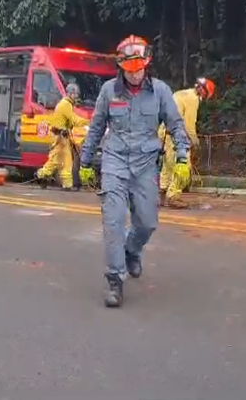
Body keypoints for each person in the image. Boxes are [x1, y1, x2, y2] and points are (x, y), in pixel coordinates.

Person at [79, 35, 191, 308]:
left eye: (140, 69)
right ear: (122, 68)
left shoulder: (161, 91)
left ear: (146, 66)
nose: (136, 75)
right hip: (115, 162)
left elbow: (175, 125)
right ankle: (115, 281)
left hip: (145, 165)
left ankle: (133, 250)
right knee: (114, 222)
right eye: (130, 70)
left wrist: (182, 156)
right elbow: (95, 128)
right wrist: (84, 161)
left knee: (147, 222)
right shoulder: (109, 92)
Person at [158, 77, 215, 208]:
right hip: (175, 135)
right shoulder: (193, 99)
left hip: (164, 131)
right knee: (184, 166)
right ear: (203, 91)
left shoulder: (180, 93)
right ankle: (173, 196)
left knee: (167, 165)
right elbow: (189, 125)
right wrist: (195, 141)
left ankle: (162, 193)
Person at [35, 83, 89, 190]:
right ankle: (41, 175)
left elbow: (70, 121)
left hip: (62, 137)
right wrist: (89, 122)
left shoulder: (66, 104)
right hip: (59, 137)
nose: (76, 97)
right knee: (58, 160)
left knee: (64, 161)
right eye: (75, 94)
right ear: (70, 94)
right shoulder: (65, 104)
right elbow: (74, 119)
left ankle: (65, 184)